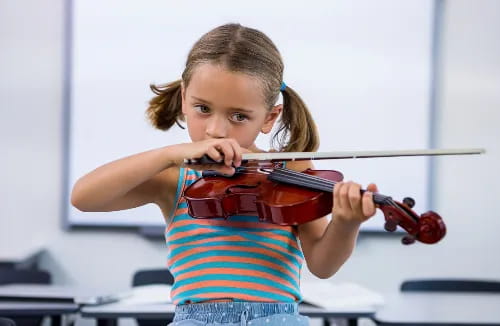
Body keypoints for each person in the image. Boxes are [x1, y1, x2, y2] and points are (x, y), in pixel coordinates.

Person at [71, 23, 378, 326]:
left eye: (239, 116)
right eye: (203, 108)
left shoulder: (290, 173)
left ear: (269, 117)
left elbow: (322, 265)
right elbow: (83, 197)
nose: (216, 130)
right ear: (183, 99)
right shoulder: (176, 177)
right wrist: (167, 155)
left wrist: (345, 224)